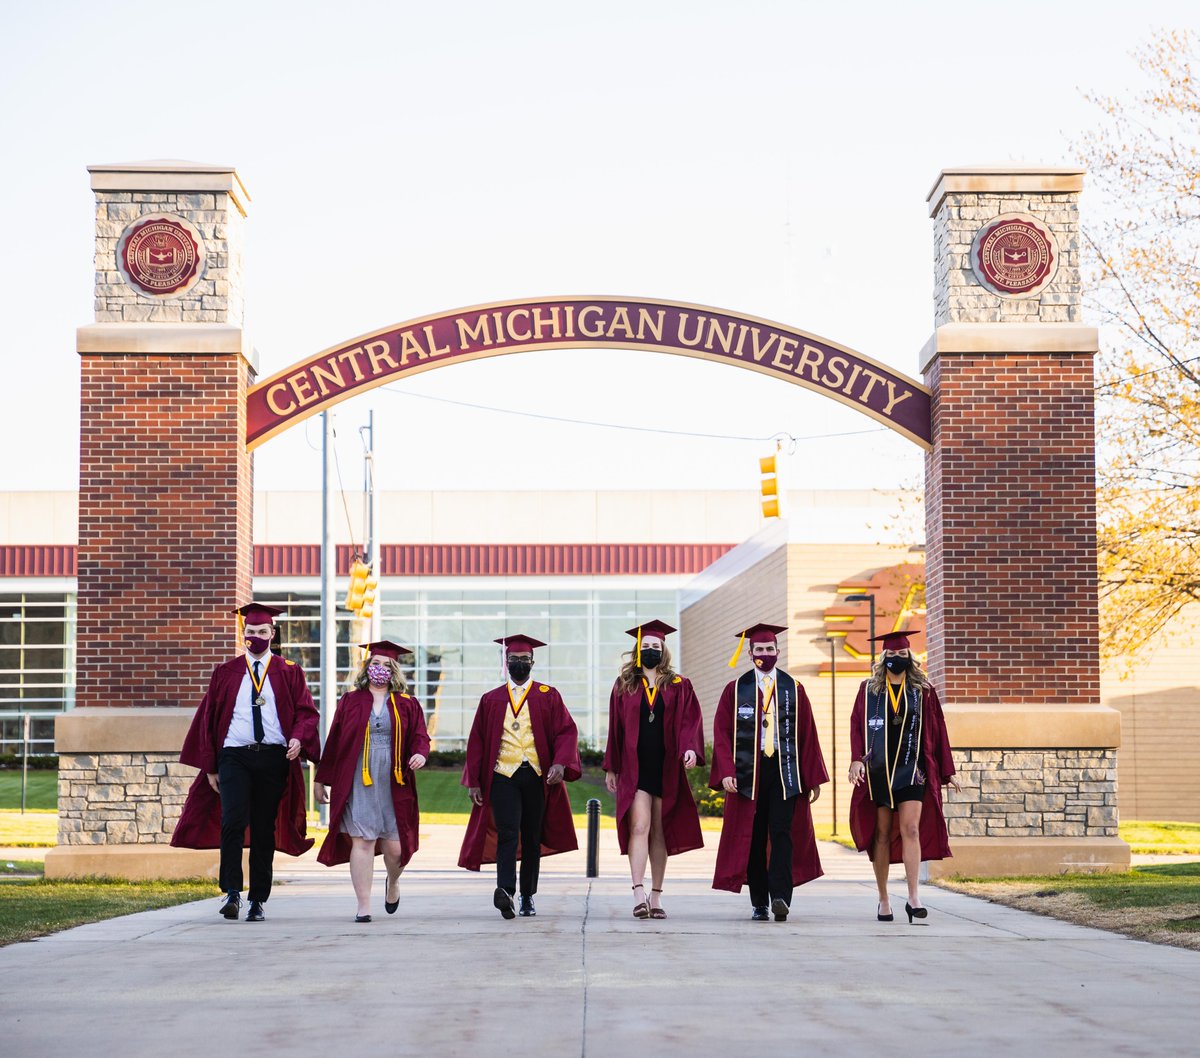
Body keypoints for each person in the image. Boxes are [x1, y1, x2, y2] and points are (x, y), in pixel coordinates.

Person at [173, 603, 321, 922]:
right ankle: (231, 893)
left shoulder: (289, 672)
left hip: (273, 757)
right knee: (233, 821)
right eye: (250, 632)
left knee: (264, 828)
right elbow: (210, 719)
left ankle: (257, 899)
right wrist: (211, 765)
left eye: (262, 632)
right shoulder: (226, 672)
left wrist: (298, 737)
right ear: (244, 635)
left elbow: (307, 713)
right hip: (234, 756)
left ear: (273, 634)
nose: (256, 637)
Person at [710, 622, 828, 921]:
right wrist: (726, 770)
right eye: (759, 650)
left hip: (785, 770)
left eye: (770, 649)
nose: (765, 654)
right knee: (755, 834)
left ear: (779, 651)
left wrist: (812, 777)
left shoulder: (793, 688)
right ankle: (759, 902)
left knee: (782, 833)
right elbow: (722, 734)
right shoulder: (736, 690)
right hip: (749, 772)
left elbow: (808, 735)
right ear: (750, 654)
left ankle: (780, 898)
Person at [459, 634, 581, 919]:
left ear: (533, 662)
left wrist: (561, 764)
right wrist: (474, 780)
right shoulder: (491, 699)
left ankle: (527, 895)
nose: (519, 664)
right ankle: (506, 892)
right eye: (513, 660)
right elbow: (476, 740)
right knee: (508, 834)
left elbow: (566, 731)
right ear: (506, 662)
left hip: (537, 776)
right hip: (503, 775)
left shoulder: (548, 695)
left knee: (531, 836)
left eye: (524, 660)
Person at [848, 630, 959, 923]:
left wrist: (947, 771)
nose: (896, 659)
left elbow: (938, 731)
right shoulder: (869, 690)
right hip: (879, 773)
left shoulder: (923, 691)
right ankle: (884, 899)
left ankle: (913, 897)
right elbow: (857, 727)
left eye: (901, 654)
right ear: (883, 657)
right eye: (891, 655)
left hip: (913, 770)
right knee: (882, 833)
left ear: (910, 656)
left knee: (911, 829)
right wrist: (856, 761)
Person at [313, 641, 430, 922]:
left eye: (386, 665)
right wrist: (321, 780)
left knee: (395, 848)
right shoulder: (351, 701)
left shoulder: (407, 703)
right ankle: (363, 905)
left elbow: (420, 737)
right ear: (367, 667)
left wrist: (419, 754)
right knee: (362, 841)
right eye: (375, 663)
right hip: (358, 778)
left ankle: (393, 880)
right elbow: (335, 741)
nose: (380, 669)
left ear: (394, 671)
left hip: (394, 778)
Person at [603, 620, 704, 920]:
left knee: (659, 830)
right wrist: (612, 766)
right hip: (635, 769)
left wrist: (690, 748)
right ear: (637, 650)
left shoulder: (678, 685)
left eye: (655, 647)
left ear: (663, 651)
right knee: (639, 826)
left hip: (666, 768)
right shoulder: (624, 685)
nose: (650, 651)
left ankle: (656, 895)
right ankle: (637, 891)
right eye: (645, 647)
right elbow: (615, 728)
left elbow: (690, 721)